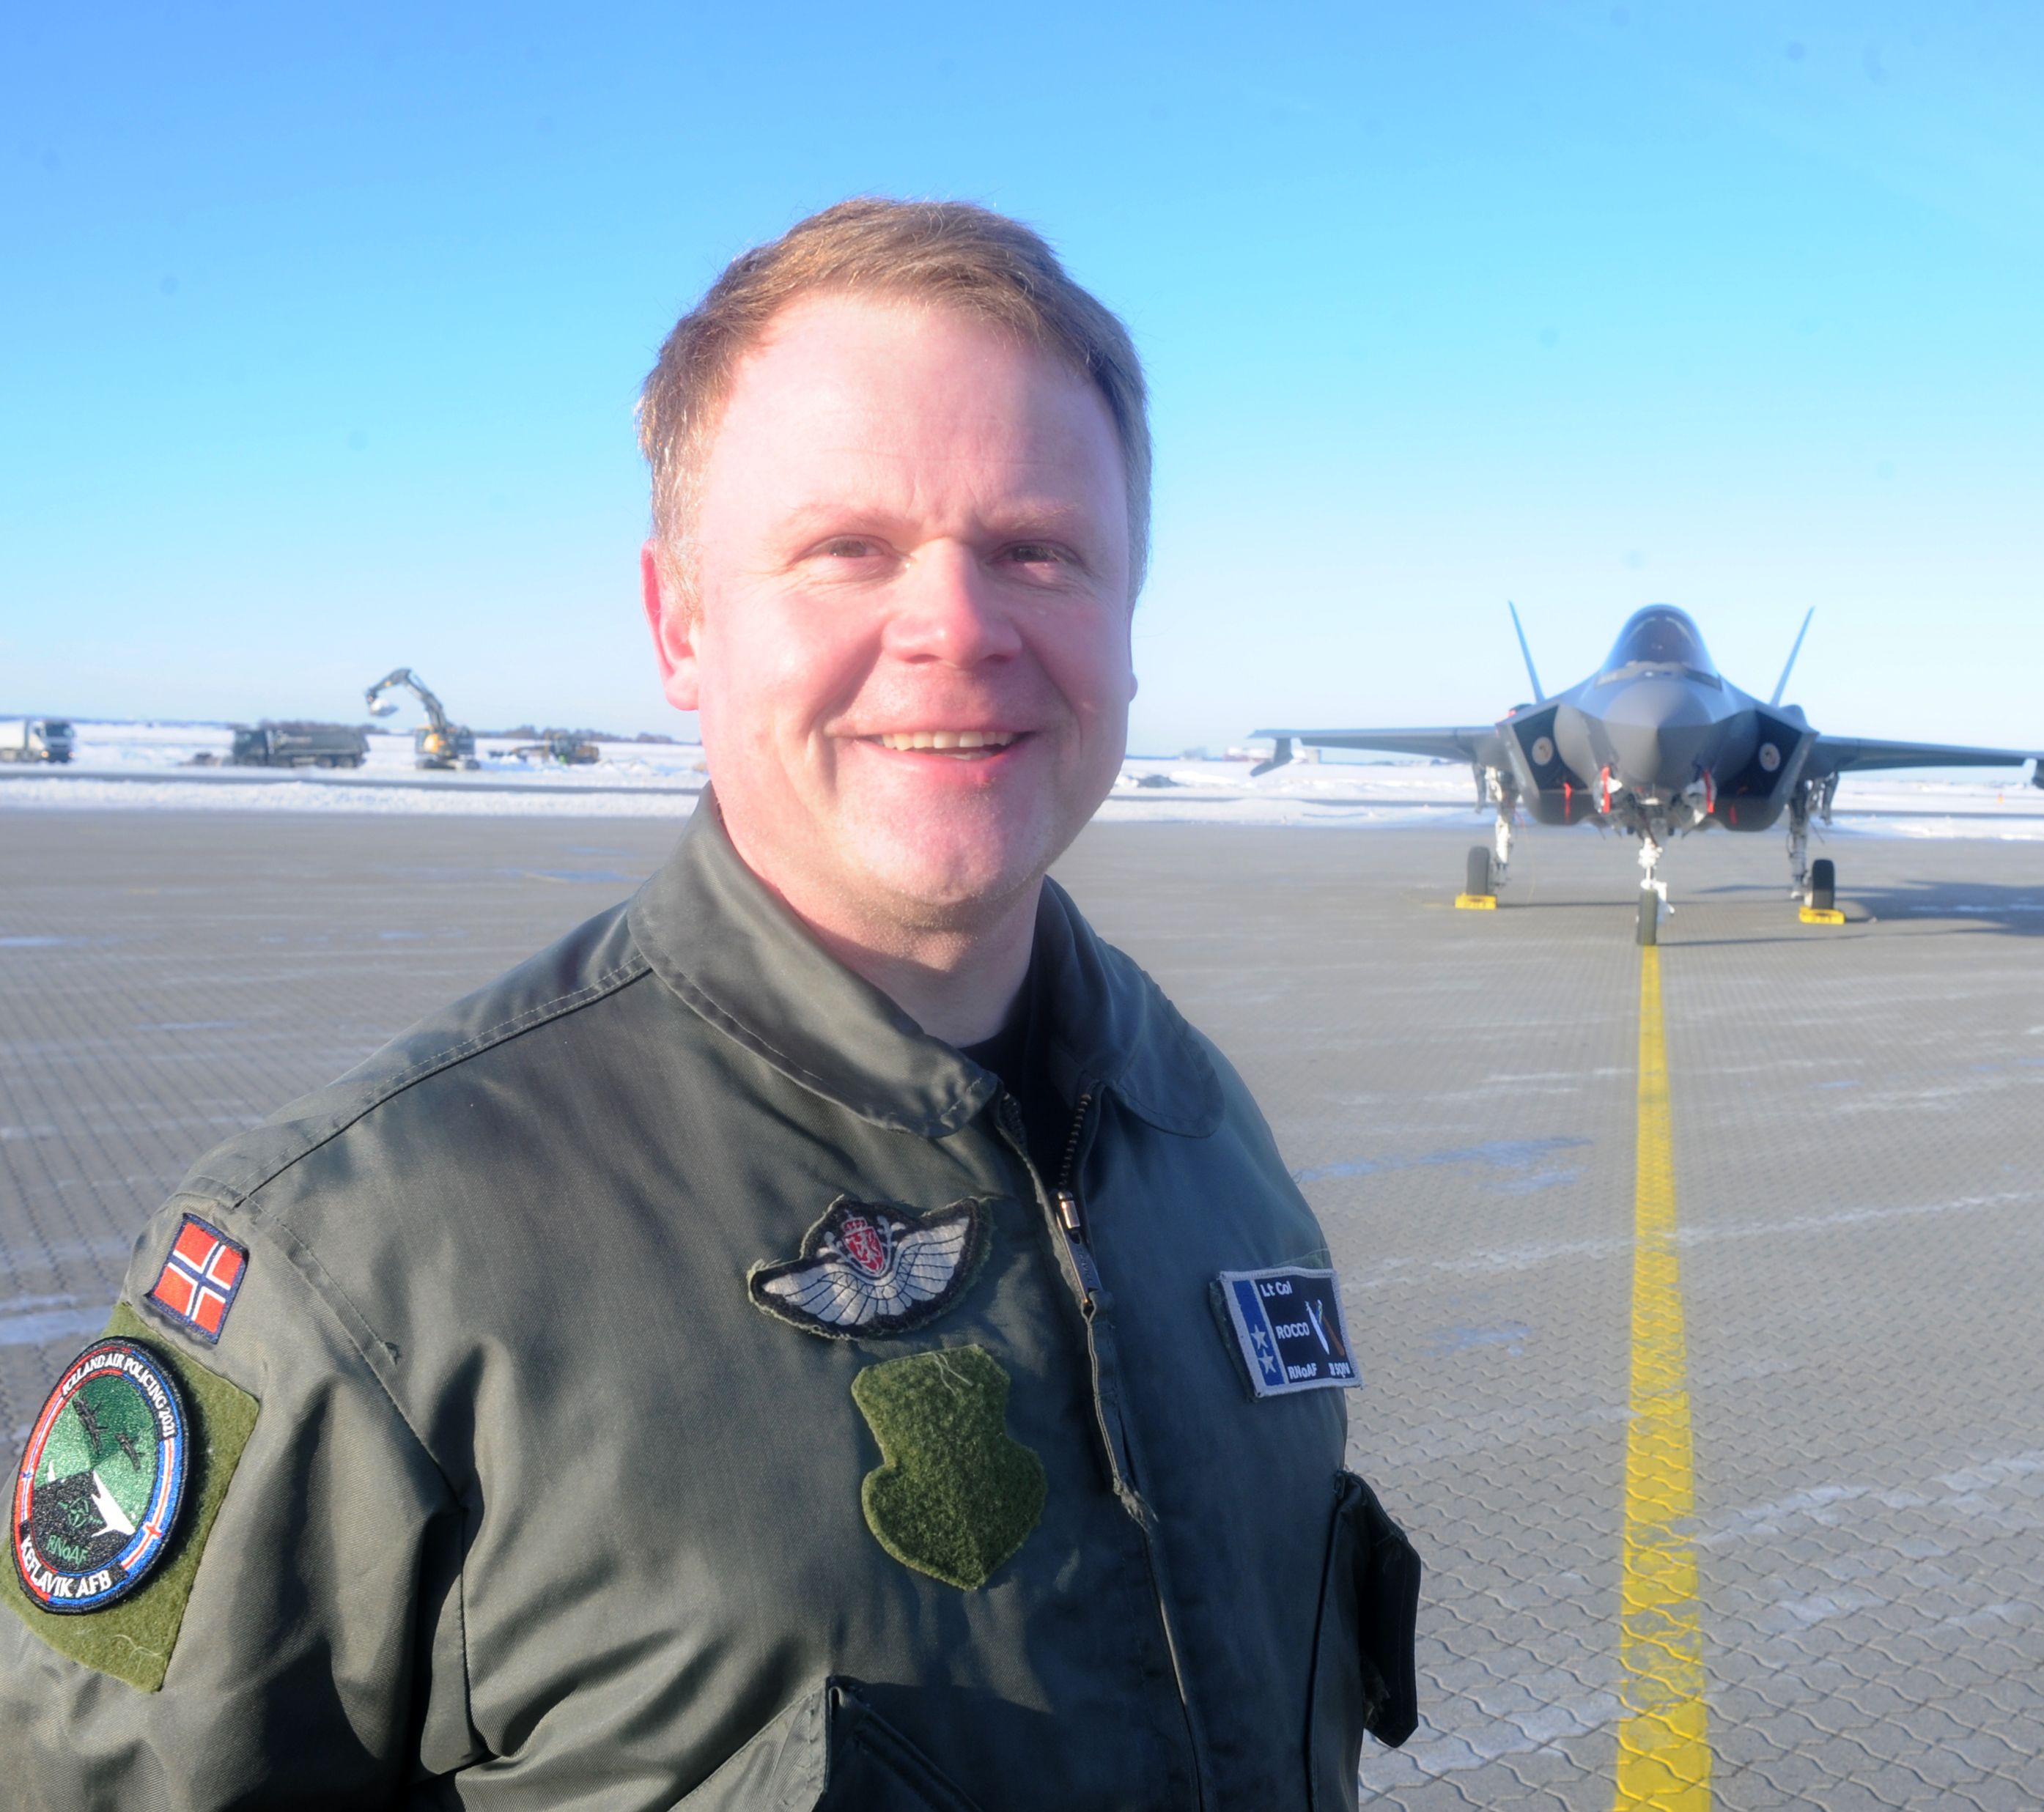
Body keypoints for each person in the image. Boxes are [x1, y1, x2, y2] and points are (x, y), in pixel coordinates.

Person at [2, 199, 1420, 1808]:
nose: (958, 627)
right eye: (847, 549)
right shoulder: (358, 1270)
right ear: (682, 622)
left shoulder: (1203, 1136)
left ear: (1129, 616)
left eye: (1037, 548)